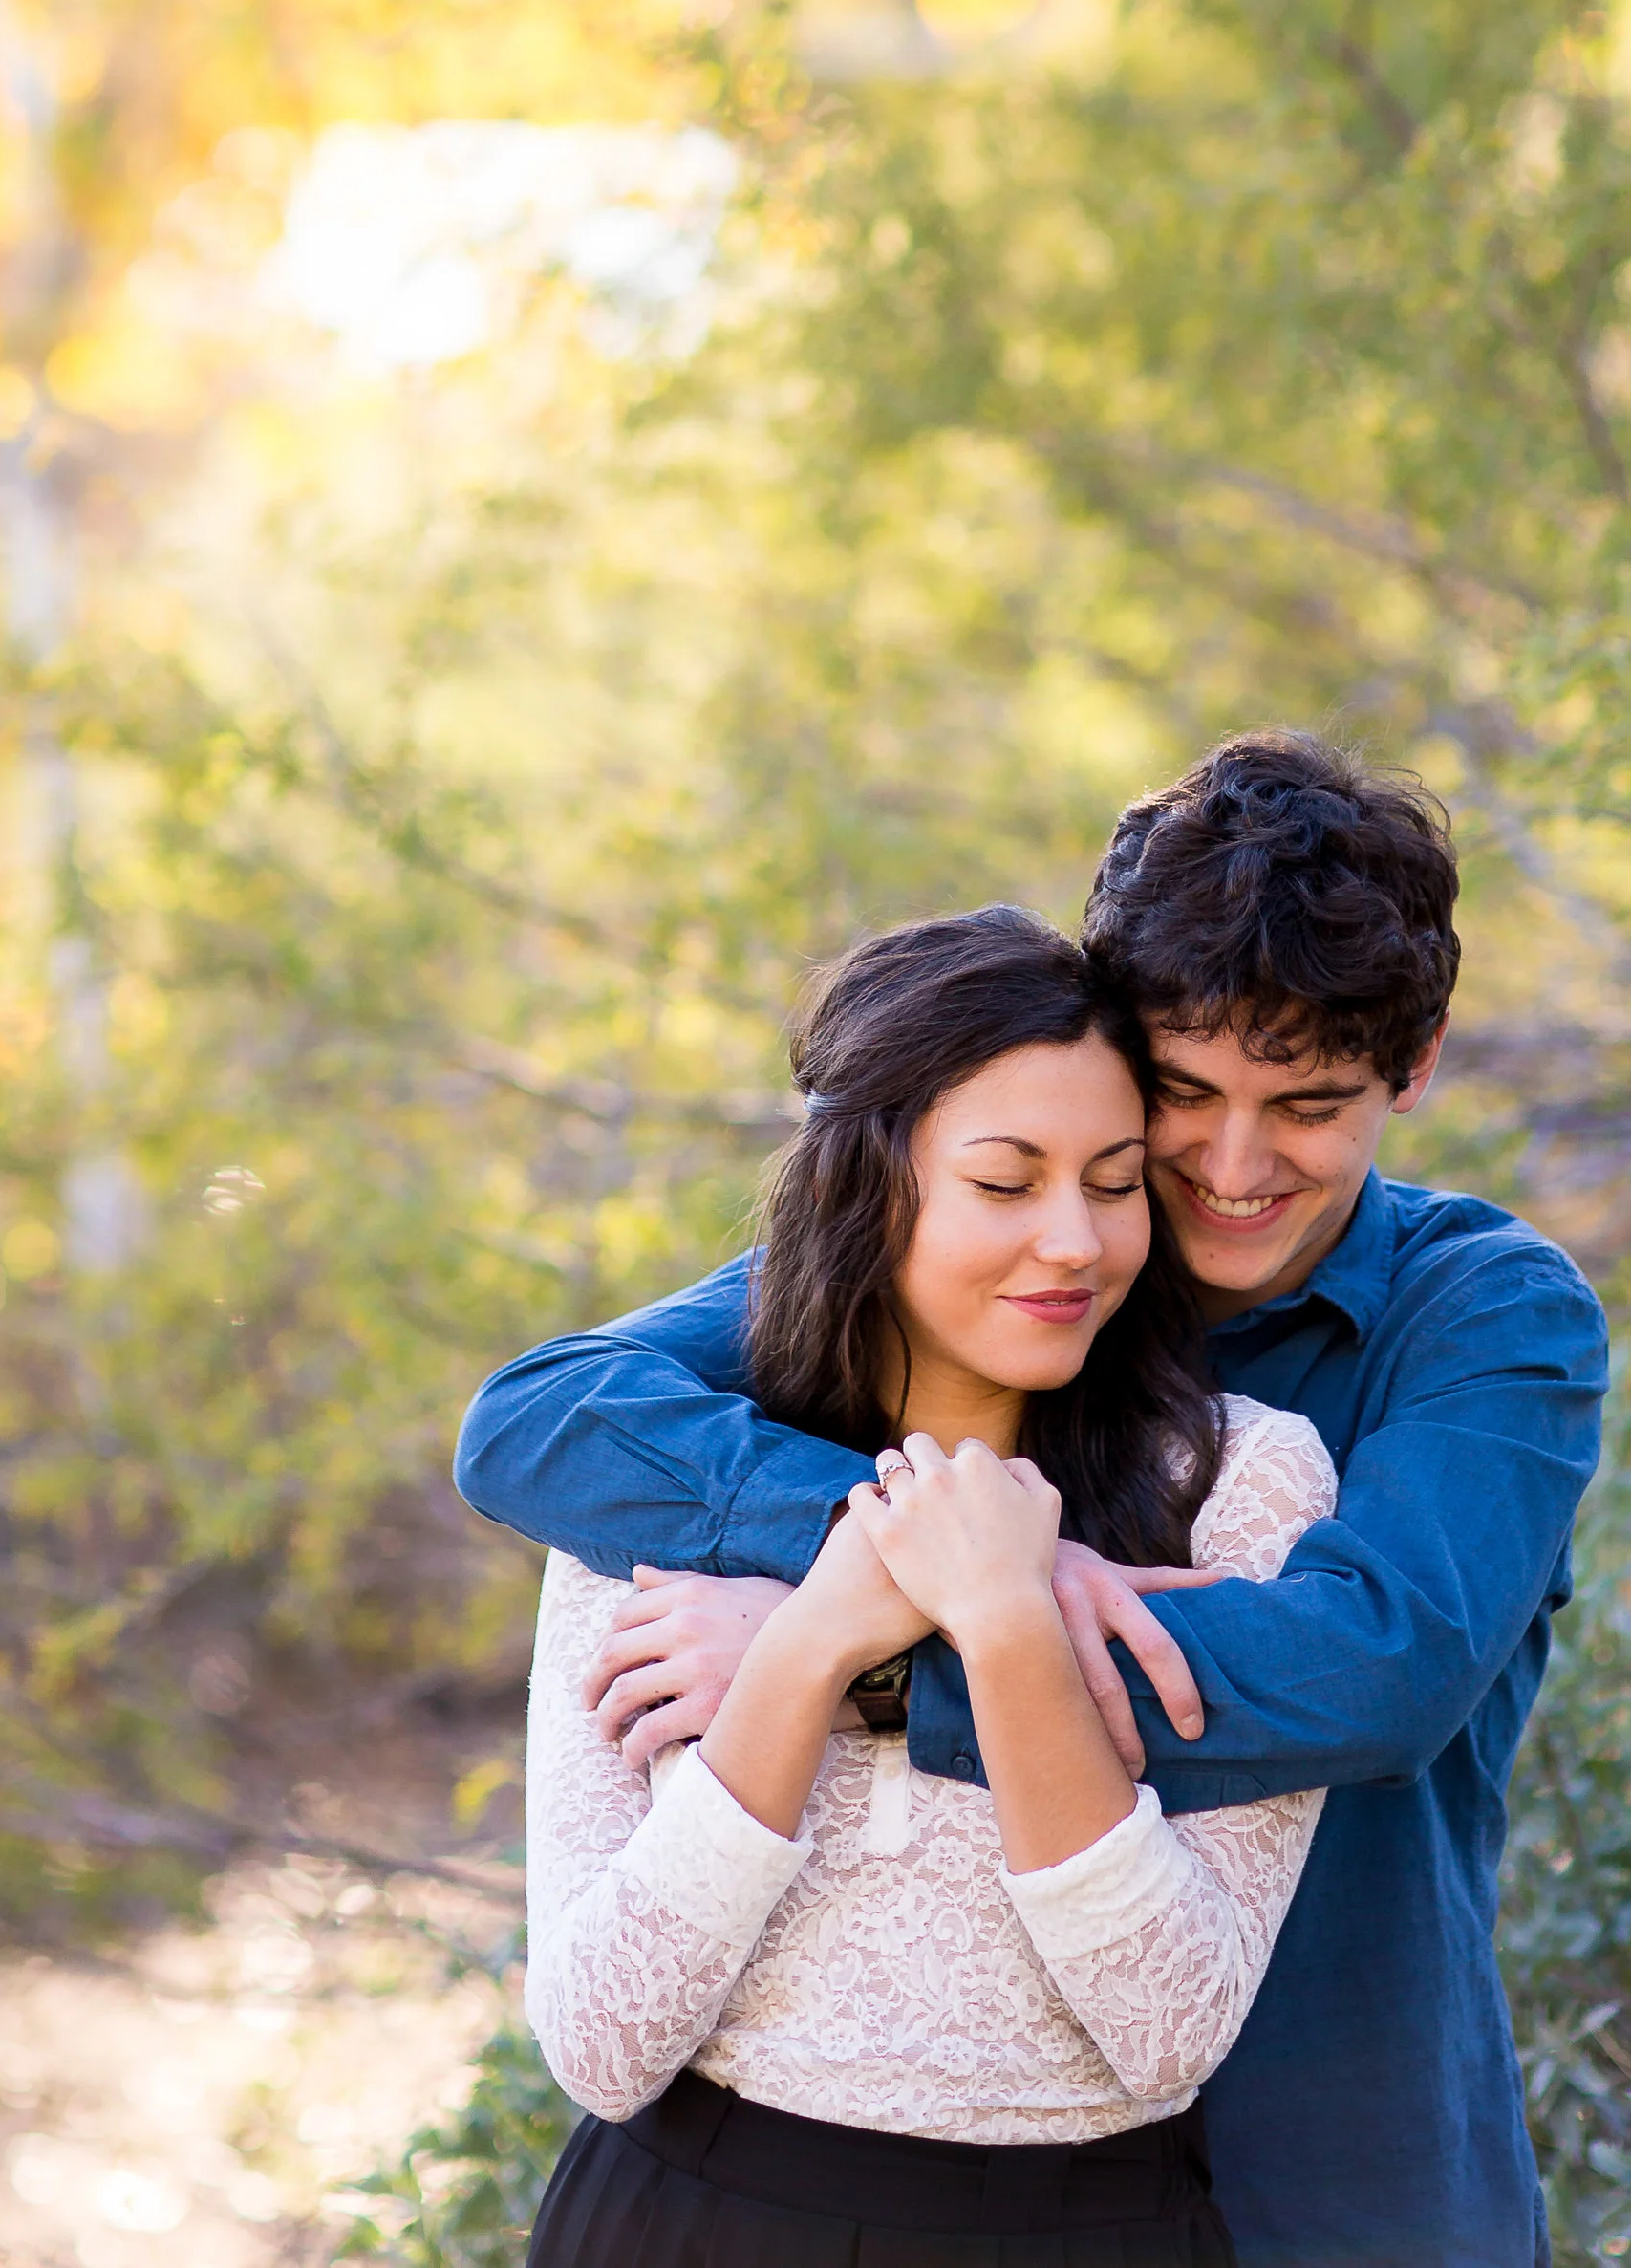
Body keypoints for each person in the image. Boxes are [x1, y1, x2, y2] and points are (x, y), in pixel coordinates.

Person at [461, 734, 1608, 2268]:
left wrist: (886, 1657)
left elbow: (1380, 1672)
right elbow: (541, 1421)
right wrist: (921, 1550)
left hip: (1334, 2181)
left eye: (1312, 1103)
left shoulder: (1487, 1316)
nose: (1230, 1163)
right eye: (1182, 1093)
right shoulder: (997, 1270)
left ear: (1420, 1062)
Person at [516, 901, 1337, 2268]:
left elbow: (1170, 2031)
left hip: (1082, 2228)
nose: (1075, 1240)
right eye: (1008, 1182)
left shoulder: (1242, 1486)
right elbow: (602, 2041)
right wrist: (816, 1635)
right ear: (866, 1186)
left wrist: (1010, 1619)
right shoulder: (655, 1472)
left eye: (1116, 1179)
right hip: (689, 2216)